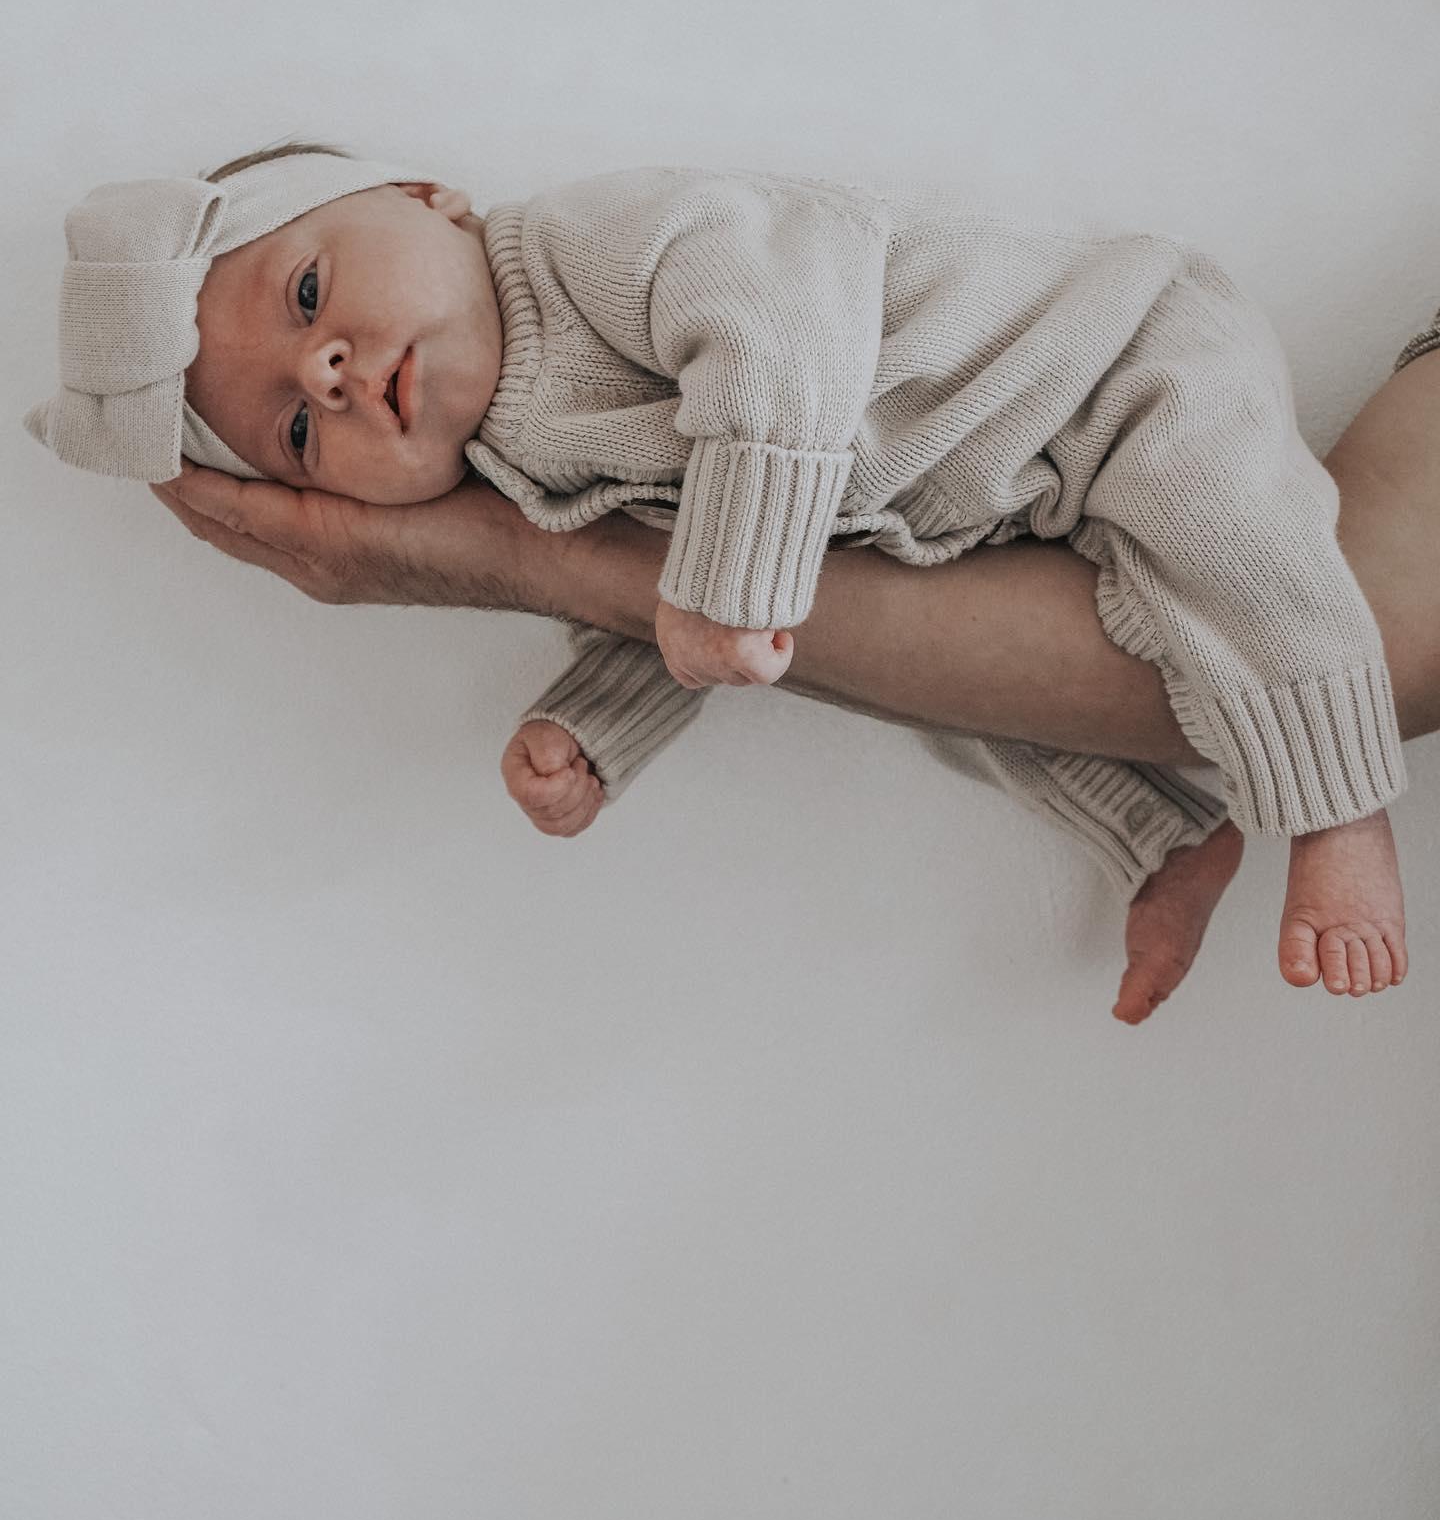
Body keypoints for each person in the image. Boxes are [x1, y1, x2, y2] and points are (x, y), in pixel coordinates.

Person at [26, 141, 1414, 1025]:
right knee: (906, 674)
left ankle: (1342, 811)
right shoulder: (515, 470)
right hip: (974, 511)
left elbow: (787, 324)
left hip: (1112, 370)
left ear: (427, 195)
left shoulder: (593, 240)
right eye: (293, 430)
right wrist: (598, 725)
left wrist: (730, 583)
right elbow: (670, 595)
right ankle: (1163, 834)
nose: (326, 372)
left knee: (1239, 544)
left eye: (312, 294)